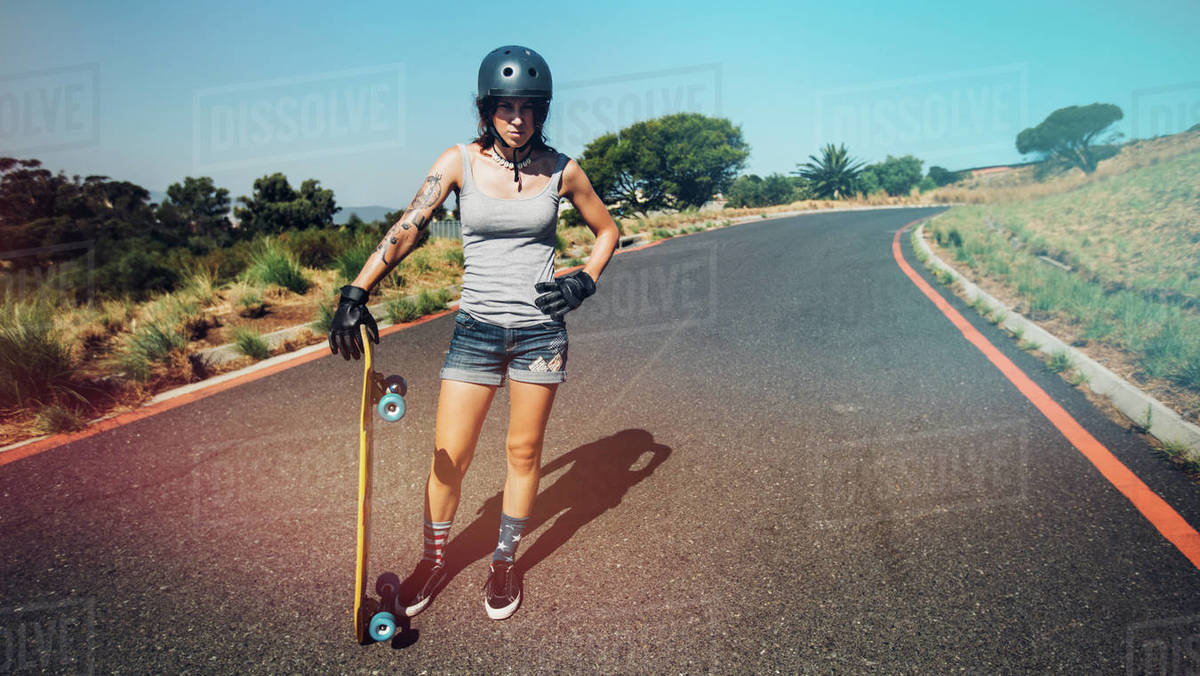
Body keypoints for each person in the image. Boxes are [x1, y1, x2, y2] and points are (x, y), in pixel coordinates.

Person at [328, 45, 620, 621]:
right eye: (505, 106)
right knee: (448, 456)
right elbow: (409, 226)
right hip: (477, 331)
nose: (517, 118)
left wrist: (584, 280)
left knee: (523, 451)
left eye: (529, 108)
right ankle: (434, 560)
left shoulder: (563, 169)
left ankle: (505, 559)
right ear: (486, 109)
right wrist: (356, 291)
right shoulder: (459, 160)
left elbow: (608, 229)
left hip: (540, 333)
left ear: (543, 111)